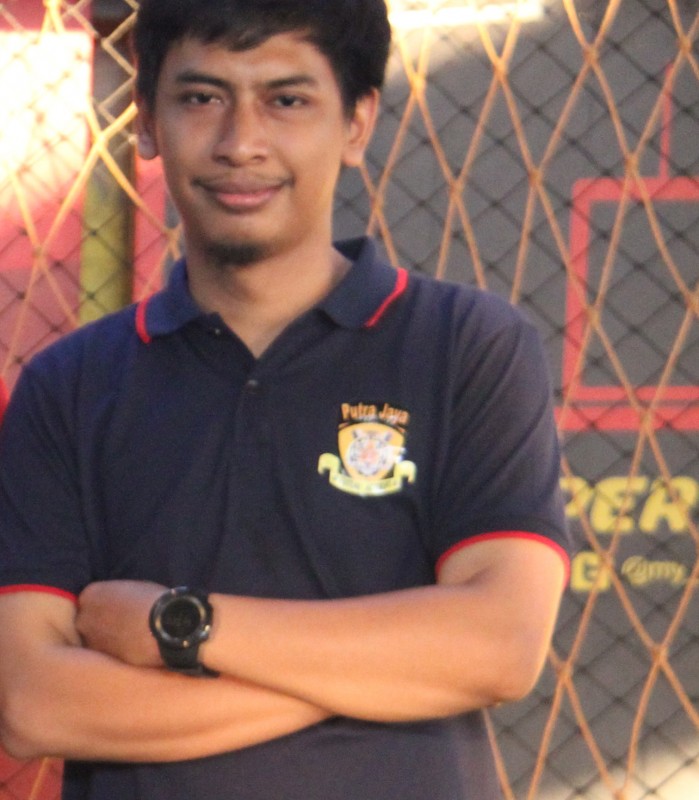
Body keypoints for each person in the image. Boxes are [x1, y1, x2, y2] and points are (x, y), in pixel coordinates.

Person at [0, 1, 571, 798]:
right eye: (202, 97)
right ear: (148, 123)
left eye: (287, 99)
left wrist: (180, 625)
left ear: (356, 123)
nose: (241, 142)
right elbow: (32, 703)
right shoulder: (69, 385)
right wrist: (377, 675)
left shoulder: (466, 345)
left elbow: (499, 647)